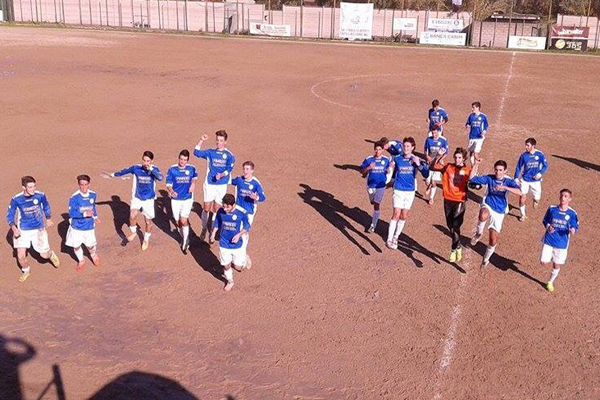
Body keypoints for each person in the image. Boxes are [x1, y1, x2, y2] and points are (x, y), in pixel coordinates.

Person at [6, 176, 60, 282]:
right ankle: (26, 270)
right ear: (23, 187)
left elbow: (46, 206)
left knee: (44, 255)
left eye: (34, 186)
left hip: (38, 229)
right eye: (30, 187)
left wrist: (48, 218)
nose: (33, 189)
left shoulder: (40, 195)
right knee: (20, 256)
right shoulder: (16, 199)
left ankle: (51, 254)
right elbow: (10, 215)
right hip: (23, 230)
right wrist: (14, 228)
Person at [108, 151, 163, 251]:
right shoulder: (136, 168)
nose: (145, 163)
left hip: (149, 199)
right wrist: (113, 174)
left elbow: (160, 177)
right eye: (144, 160)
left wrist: (151, 169)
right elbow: (124, 171)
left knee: (148, 222)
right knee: (132, 215)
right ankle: (134, 232)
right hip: (137, 197)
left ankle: (146, 239)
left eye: (148, 161)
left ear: (152, 161)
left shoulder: (154, 170)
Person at [470, 160, 521, 267]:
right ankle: (478, 233)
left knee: (493, 240)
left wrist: (505, 188)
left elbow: (519, 192)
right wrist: (476, 164)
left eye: (501, 170)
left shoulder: (508, 181)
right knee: (483, 214)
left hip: (500, 211)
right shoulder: (490, 178)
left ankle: (486, 259)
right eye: (496, 170)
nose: (498, 172)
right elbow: (472, 178)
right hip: (488, 204)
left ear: (505, 171)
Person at [430, 147, 478, 262]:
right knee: (450, 226)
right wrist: (438, 156)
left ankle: (453, 249)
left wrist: (476, 168)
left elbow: (474, 183)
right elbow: (431, 167)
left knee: (456, 225)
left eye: (459, 157)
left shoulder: (467, 170)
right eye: (456, 157)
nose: (457, 159)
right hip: (447, 200)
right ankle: (458, 245)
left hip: (460, 200)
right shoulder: (448, 167)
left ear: (464, 158)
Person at [387, 137, 429, 250]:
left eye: (408, 146)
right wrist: (389, 171)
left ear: (412, 148)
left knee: (404, 215)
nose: (405, 148)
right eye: (404, 146)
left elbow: (426, 174)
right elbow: (393, 173)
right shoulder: (397, 158)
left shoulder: (416, 159)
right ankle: (389, 239)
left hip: (410, 191)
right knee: (396, 213)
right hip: (398, 189)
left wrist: (419, 165)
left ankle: (396, 237)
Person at [194, 130, 235, 242]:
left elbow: (229, 169)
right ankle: (204, 228)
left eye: (221, 141)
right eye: (217, 140)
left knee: (216, 209)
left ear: (225, 142)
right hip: (210, 184)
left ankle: (212, 230)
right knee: (206, 208)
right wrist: (201, 140)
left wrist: (221, 175)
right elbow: (196, 152)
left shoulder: (229, 155)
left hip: (221, 186)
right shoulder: (210, 152)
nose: (219, 143)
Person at [540, 189, 579, 293]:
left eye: (566, 196)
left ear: (570, 199)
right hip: (549, 240)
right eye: (561, 195)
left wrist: (572, 230)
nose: (563, 198)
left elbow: (575, 226)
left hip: (561, 243)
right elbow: (545, 220)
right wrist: (548, 226)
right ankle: (549, 257)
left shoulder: (572, 213)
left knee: (556, 264)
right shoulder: (552, 209)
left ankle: (550, 282)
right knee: (543, 262)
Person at [211, 194, 250, 292]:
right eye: (224, 206)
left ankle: (245, 258)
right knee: (226, 265)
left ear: (233, 205)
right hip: (224, 243)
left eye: (227, 207)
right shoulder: (221, 211)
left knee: (238, 268)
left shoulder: (242, 213)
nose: (225, 209)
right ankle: (230, 281)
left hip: (237, 244)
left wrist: (239, 235)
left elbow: (247, 226)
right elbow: (217, 222)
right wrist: (213, 233)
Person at [231, 161, 266, 259]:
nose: (245, 171)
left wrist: (256, 197)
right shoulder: (239, 179)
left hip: (249, 211)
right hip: (238, 209)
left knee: (244, 231)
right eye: (244, 169)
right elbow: (230, 181)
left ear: (252, 170)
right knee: (236, 229)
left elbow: (263, 197)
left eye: (247, 169)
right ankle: (238, 251)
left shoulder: (256, 183)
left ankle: (242, 254)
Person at [166, 149, 198, 253]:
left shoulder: (191, 168)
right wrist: (171, 191)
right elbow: (168, 184)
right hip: (176, 199)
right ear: (178, 158)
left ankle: (185, 240)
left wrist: (193, 184)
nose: (182, 162)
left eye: (184, 160)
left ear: (187, 160)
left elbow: (195, 176)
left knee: (184, 220)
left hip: (187, 198)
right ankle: (184, 236)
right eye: (181, 159)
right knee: (177, 221)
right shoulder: (172, 169)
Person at [66, 175, 100, 272]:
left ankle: (93, 255)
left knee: (90, 246)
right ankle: (81, 260)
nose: (84, 187)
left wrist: (95, 217)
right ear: (79, 185)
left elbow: (93, 207)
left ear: (89, 184)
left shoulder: (93, 195)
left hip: (89, 226)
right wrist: (84, 214)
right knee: (76, 246)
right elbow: (71, 213)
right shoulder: (74, 198)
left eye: (86, 184)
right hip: (76, 227)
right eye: (81, 185)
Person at [513, 138, 548, 222]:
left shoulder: (540, 155)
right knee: (522, 197)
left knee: (537, 199)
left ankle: (535, 201)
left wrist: (540, 173)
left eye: (528, 145)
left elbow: (545, 165)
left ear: (533, 146)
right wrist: (516, 178)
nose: (526, 147)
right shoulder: (524, 156)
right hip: (525, 179)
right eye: (525, 145)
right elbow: (518, 167)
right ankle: (523, 215)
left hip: (536, 181)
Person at [360, 141, 392, 233]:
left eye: (380, 149)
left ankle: (373, 226)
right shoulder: (369, 159)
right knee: (372, 202)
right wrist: (368, 168)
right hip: (370, 186)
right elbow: (361, 172)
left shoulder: (386, 160)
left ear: (382, 150)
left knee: (376, 204)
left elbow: (388, 169)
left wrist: (388, 171)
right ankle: (373, 200)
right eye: (376, 149)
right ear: (374, 150)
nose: (378, 151)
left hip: (381, 185)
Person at [424, 126, 449, 205]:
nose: (434, 134)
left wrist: (441, 159)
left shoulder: (443, 140)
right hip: (430, 163)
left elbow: (446, 152)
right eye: (432, 133)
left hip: (438, 164)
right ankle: (429, 185)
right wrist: (427, 157)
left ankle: (431, 198)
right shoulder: (428, 140)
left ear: (439, 132)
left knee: (434, 181)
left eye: (435, 133)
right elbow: (425, 150)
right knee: (427, 182)